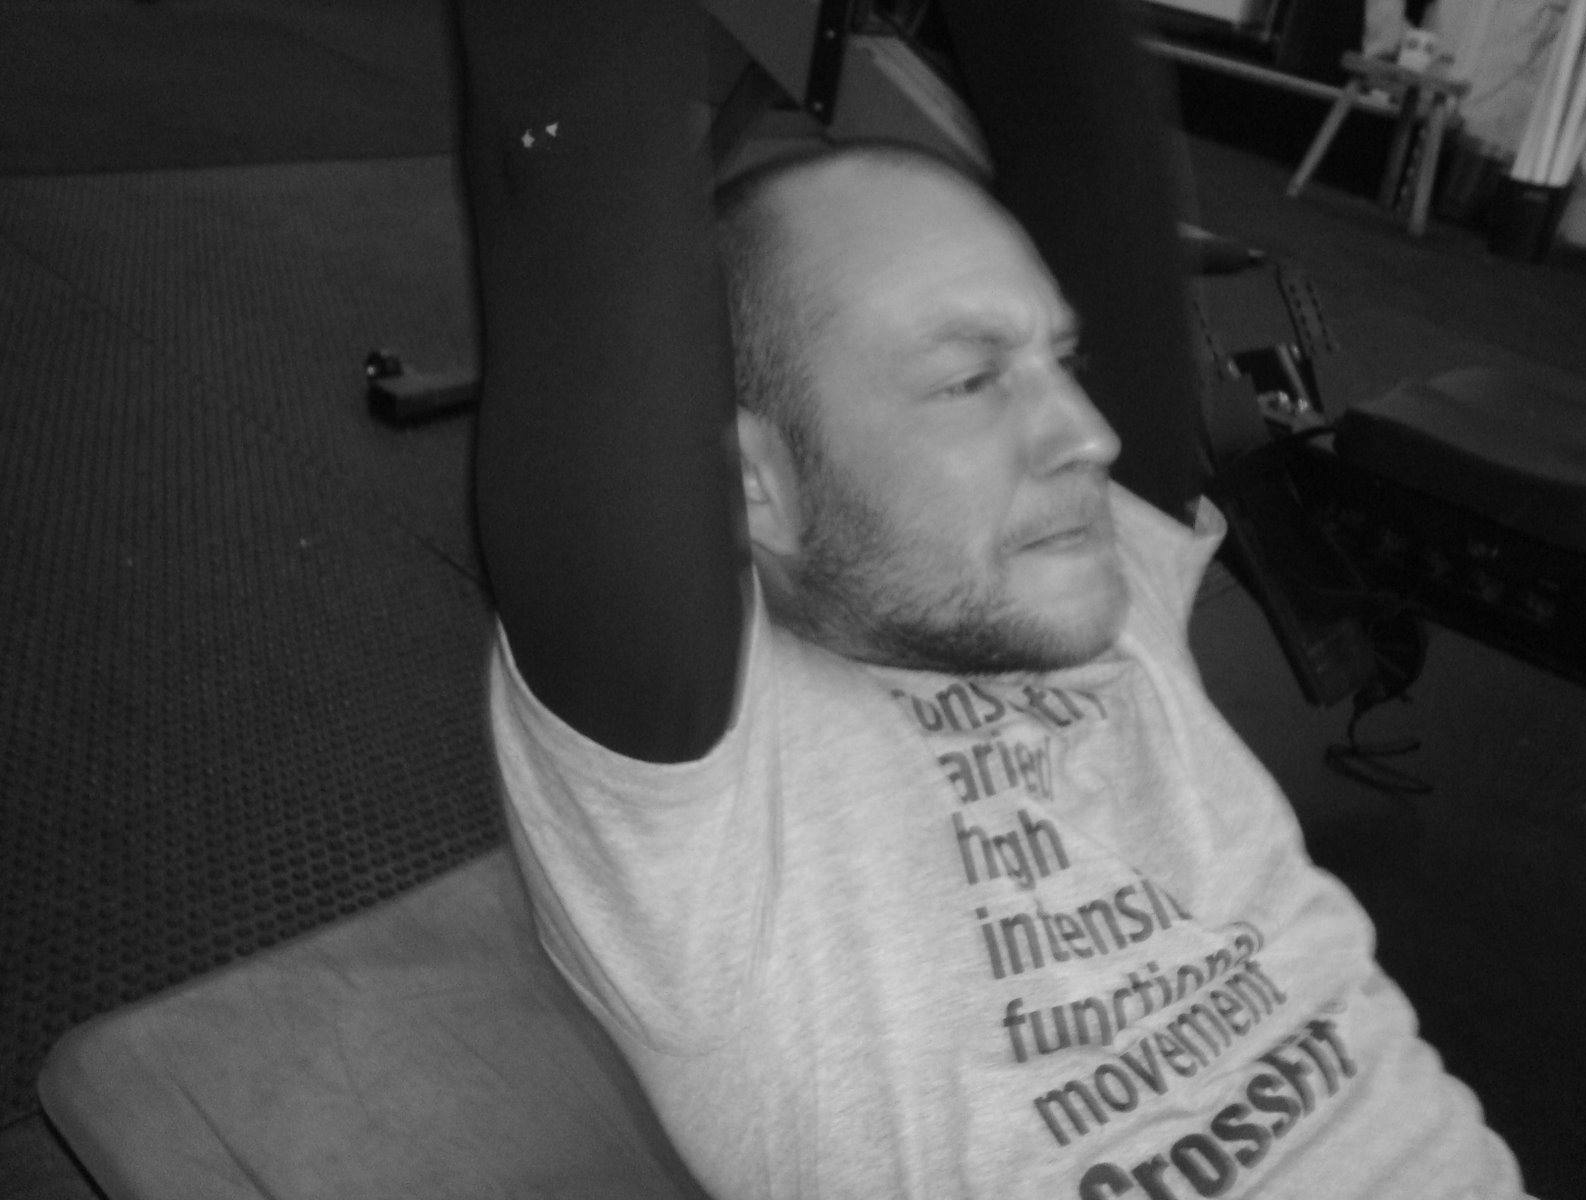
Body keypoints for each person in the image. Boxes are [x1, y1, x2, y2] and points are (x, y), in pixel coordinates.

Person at [456, 1, 1530, 1196]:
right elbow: (573, 152)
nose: (1090, 437)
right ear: (757, 484)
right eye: (969, 380)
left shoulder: (1084, 573)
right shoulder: (705, 790)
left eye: (1058, 361)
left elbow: (1078, 91)